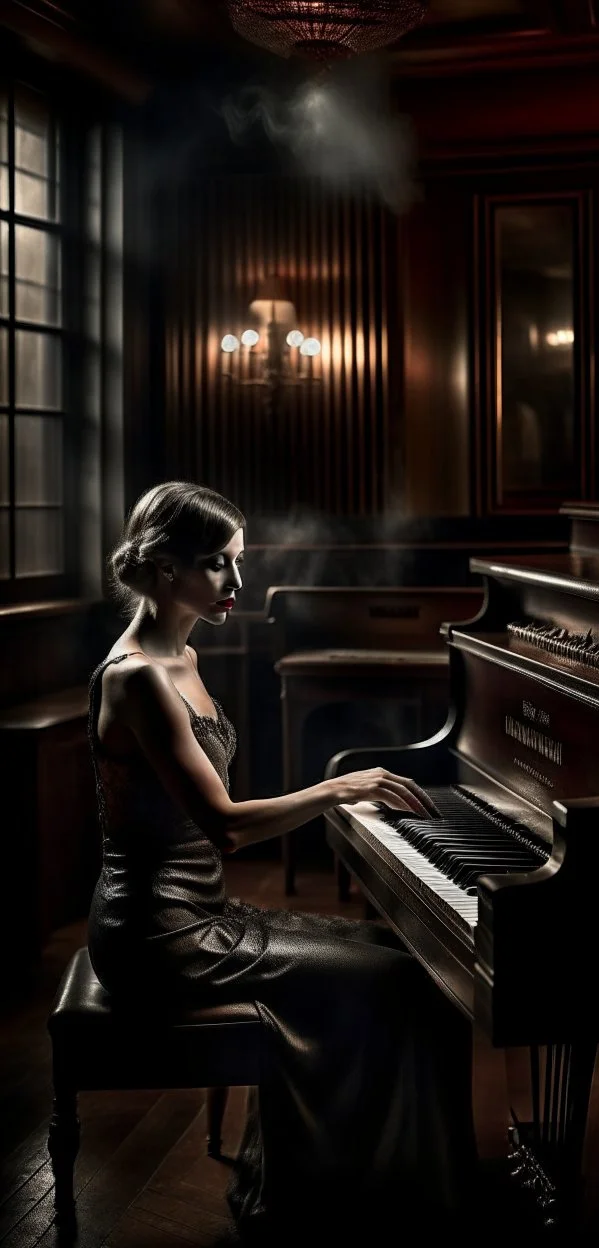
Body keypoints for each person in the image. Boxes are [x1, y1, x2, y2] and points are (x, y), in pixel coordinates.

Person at [86, 480, 479, 1241]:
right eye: (220, 565)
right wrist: (340, 787)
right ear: (166, 570)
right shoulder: (137, 679)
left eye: (239, 561)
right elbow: (226, 829)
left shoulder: (185, 654)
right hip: (158, 937)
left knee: (414, 963)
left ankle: (375, 1176)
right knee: (400, 980)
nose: (239, 583)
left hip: (197, 914)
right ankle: (335, 1198)